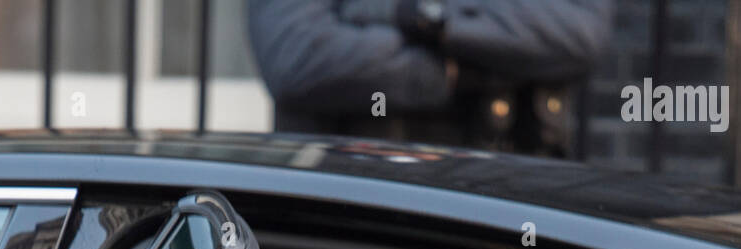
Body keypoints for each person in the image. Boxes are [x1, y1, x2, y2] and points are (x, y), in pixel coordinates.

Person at [248, 0, 614, 157]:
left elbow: (577, 32)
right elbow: (295, 53)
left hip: (511, 217)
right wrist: (454, 72)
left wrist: (427, 16)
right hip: (351, 214)